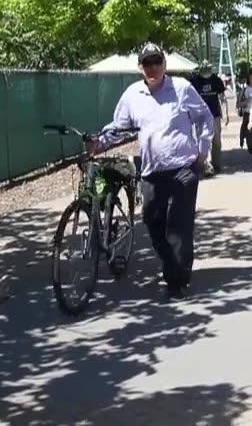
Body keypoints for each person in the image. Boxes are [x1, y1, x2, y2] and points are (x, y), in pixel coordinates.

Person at [90, 42, 215, 299]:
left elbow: (205, 117)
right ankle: (174, 267)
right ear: (140, 67)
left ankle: (177, 281)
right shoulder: (133, 94)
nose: (153, 67)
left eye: (157, 61)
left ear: (165, 64)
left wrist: (203, 152)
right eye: (147, 63)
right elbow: (119, 127)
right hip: (151, 172)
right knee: (152, 222)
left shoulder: (181, 88)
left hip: (183, 169)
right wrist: (98, 143)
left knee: (178, 228)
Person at [188, 61, 227, 176]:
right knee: (203, 140)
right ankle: (206, 165)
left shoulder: (216, 80)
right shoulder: (195, 81)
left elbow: (222, 97)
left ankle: (216, 163)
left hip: (214, 114)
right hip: (200, 115)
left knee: (216, 141)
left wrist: (225, 113)